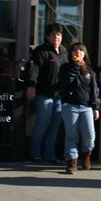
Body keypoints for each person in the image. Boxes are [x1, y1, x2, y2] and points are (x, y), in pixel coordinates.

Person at [26, 23, 69, 163]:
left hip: (59, 96)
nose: (56, 37)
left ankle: (49, 155)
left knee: (55, 126)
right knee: (43, 123)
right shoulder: (41, 51)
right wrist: (31, 86)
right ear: (47, 36)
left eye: (59, 34)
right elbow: (34, 69)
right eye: (53, 34)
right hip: (44, 94)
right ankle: (34, 152)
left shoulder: (64, 52)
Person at [58, 42, 100, 174]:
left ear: (84, 54)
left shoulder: (89, 70)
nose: (77, 53)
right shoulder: (66, 68)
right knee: (71, 135)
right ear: (71, 54)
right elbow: (66, 83)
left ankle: (86, 156)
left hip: (86, 107)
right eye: (75, 51)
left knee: (89, 135)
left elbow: (94, 90)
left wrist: (96, 107)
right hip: (70, 105)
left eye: (80, 51)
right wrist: (75, 68)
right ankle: (72, 162)